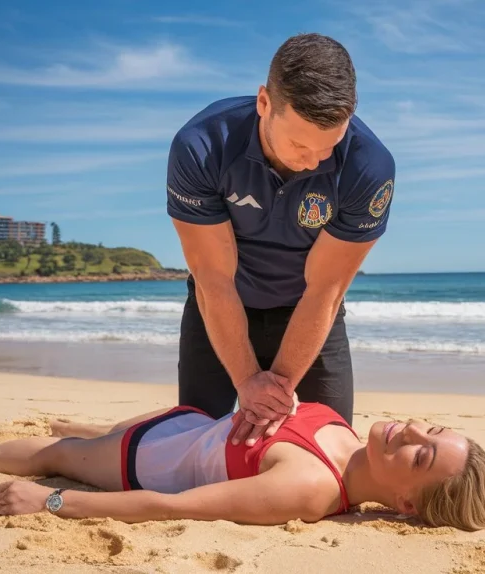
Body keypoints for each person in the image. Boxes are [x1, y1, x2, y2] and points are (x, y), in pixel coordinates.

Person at [166, 32, 396, 446]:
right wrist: (246, 380)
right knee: (190, 443)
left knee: (330, 451)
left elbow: (325, 289)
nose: (312, 162)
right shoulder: (201, 146)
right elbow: (213, 277)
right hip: (220, 303)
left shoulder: (369, 167)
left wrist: (273, 391)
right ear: (264, 103)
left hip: (308, 312)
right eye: (298, 144)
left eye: (328, 147)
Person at [0, 401, 485, 531]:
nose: (413, 430)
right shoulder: (348, 435)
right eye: (434, 429)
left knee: (54, 454)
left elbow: (171, 507)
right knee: (95, 430)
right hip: (189, 423)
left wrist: (50, 499)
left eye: (421, 453)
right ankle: (91, 429)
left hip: (143, 459)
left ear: (405, 503)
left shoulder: (307, 490)